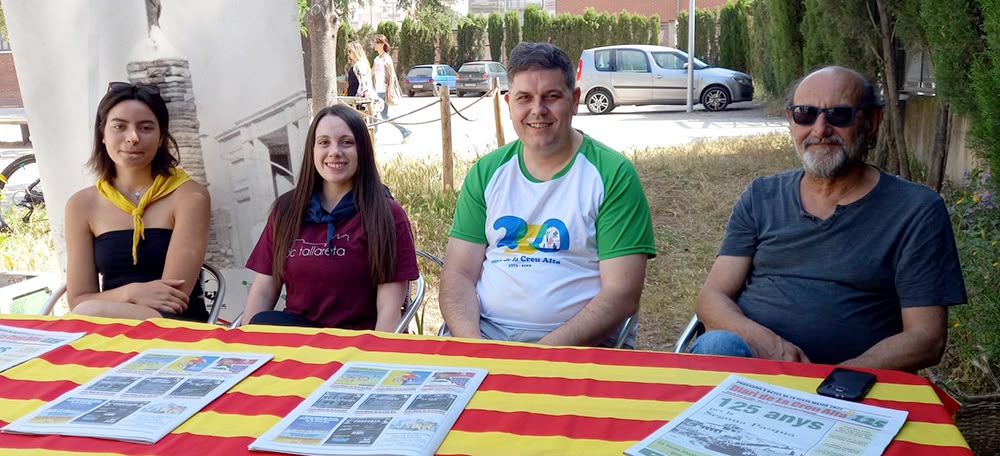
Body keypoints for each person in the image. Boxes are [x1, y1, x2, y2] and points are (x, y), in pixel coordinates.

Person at [693, 66, 967, 371]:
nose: (820, 129)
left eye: (839, 115)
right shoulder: (762, 196)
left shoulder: (916, 210)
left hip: (856, 383)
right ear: (790, 121)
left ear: (872, 122)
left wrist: (838, 378)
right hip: (753, 366)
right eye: (805, 114)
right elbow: (712, 297)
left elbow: (926, 338)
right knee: (716, 346)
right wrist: (769, 345)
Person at [438, 42, 656, 348]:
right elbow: (458, 274)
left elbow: (621, 295)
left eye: (552, 97)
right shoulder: (487, 172)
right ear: (508, 103)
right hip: (487, 338)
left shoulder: (612, 174)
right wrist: (476, 348)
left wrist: (538, 356)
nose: (537, 110)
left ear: (575, 100)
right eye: (524, 98)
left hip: (580, 346)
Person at [242, 104, 419, 330]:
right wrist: (244, 347)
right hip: (296, 345)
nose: (335, 151)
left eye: (346, 142)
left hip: (356, 348)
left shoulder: (386, 215)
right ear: (312, 150)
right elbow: (264, 290)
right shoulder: (286, 210)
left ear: (363, 151)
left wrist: (372, 361)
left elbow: (390, 309)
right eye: (324, 142)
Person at [65, 82, 211, 321]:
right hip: (108, 328)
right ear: (102, 134)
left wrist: (100, 304)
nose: (132, 138)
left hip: (175, 327)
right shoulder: (81, 205)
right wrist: (132, 292)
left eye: (145, 128)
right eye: (119, 127)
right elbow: (79, 300)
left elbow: (172, 300)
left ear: (161, 136)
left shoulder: (190, 196)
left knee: (88, 312)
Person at [372, 34, 411, 140]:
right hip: (377, 90)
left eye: (376, 42)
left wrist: (388, 91)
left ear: (382, 44)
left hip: (384, 91)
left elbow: (392, 76)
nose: (374, 45)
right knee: (377, 114)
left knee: (381, 115)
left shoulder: (386, 58)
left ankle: (375, 135)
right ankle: (404, 132)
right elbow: (371, 73)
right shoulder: (376, 59)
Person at [345, 41, 384, 116]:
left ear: (355, 51)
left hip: (357, 99)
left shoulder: (358, 64)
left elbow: (363, 84)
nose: (348, 54)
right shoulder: (362, 63)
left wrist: (357, 99)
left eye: (350, 51)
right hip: (357, 98)